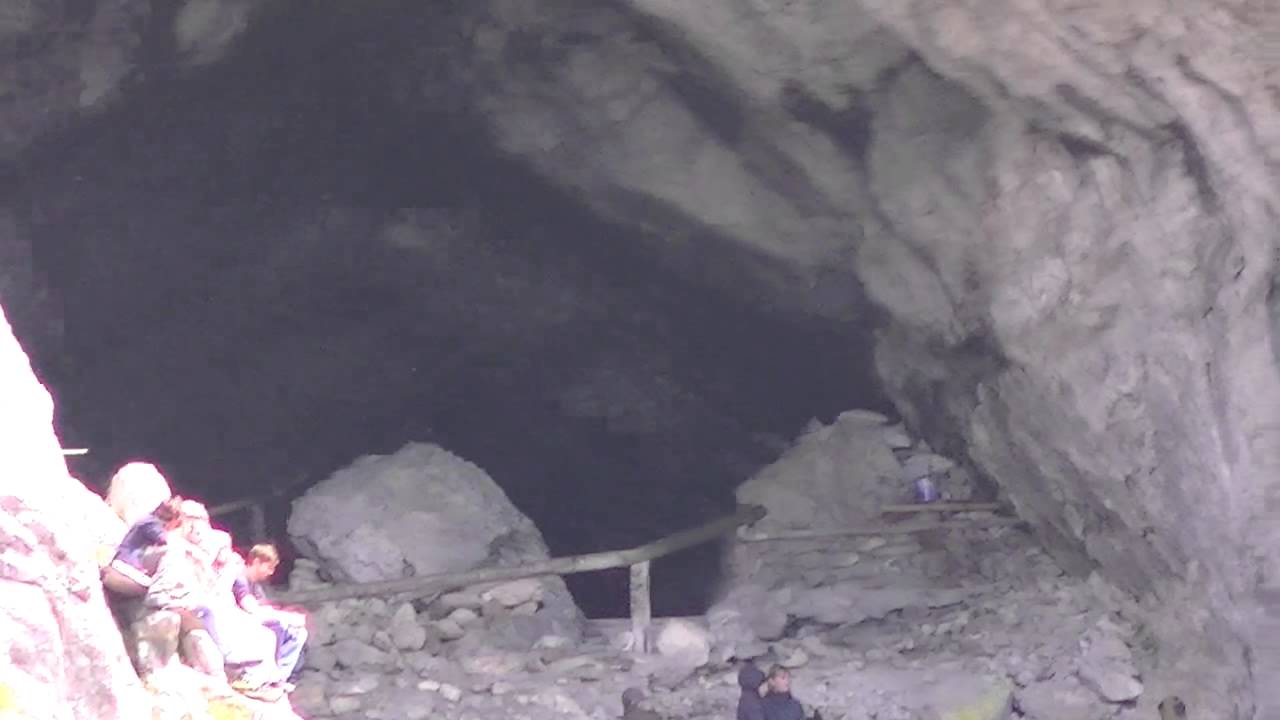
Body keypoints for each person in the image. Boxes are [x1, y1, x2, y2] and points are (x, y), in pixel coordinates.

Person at [232, 543, 308, 687]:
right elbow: (251, 609)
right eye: (269, 567)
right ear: (256, 562)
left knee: (298, 633)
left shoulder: (255, 585)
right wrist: (286, 618)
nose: (271, 572)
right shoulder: (240, 579)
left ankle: (280, 677)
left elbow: (265, 607)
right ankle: (271, 677)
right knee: (278, 626)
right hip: (239, 625)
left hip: (253, 622)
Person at [101, 496, 185, 597]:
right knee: (151, 588)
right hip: (124, 564)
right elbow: (164, 540)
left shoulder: (148, 519)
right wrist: (173, 528)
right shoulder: (151, 523)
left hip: (125, 562)